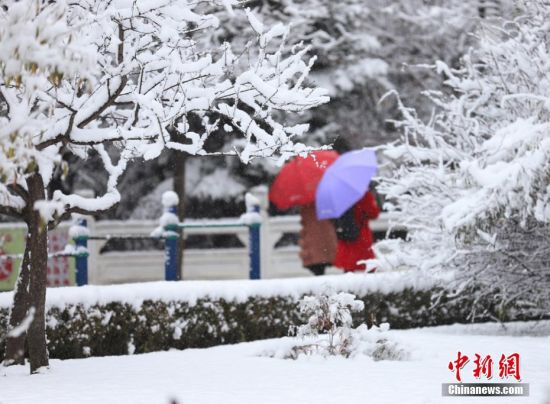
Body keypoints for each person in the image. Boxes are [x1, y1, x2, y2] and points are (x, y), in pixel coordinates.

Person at [334, 191, 380, 273]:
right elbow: (374, 213)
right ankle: (371, 284)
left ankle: (349, 285)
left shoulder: (340, 195)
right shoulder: (363, 194)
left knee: (348, 266)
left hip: (346, 233)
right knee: (368, 264)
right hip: (362, 234)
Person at [298, 203, 337, 276]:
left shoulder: (306, 207)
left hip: (312, 239)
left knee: (316, 266)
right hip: (325, 237)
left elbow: (304, 222)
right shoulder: (325, 205)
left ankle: (320, 282)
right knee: (322, 261)